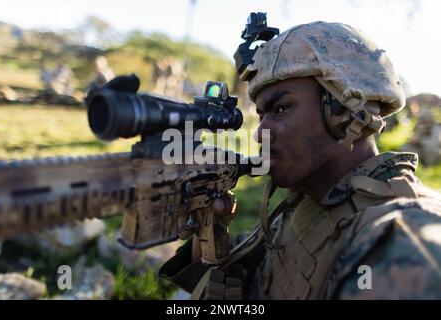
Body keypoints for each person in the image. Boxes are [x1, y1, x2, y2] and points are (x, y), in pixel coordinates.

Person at [159, 19, 441, 299]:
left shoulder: (401, 237)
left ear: (345, 112)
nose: (260, 134)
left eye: (281, 108)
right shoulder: (307, 205)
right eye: (261, 115)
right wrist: (207, 223)